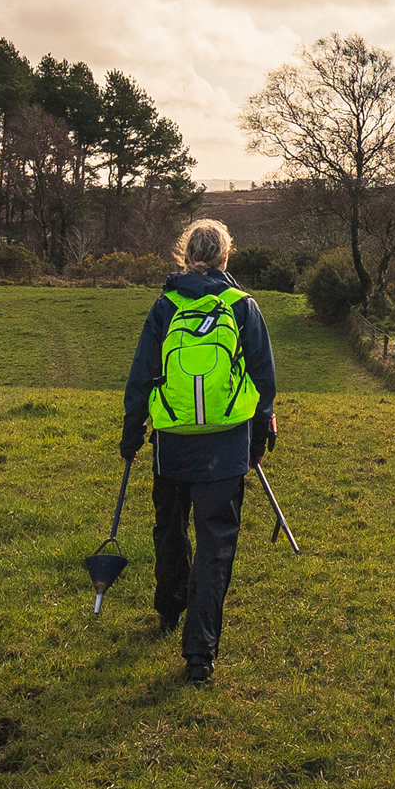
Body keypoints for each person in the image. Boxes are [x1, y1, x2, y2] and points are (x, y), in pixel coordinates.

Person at [120, 219, 277, 684]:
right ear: (227, 257)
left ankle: (169, 608)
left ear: (184, 256)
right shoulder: (242, 306)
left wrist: (132, 435)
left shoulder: (165, 306)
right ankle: (199, 655)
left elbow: (142, 374)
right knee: (216, 545)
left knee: (169, 527)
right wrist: (261, 436)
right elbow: (264, 380)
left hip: (172, 440)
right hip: (227, 443)